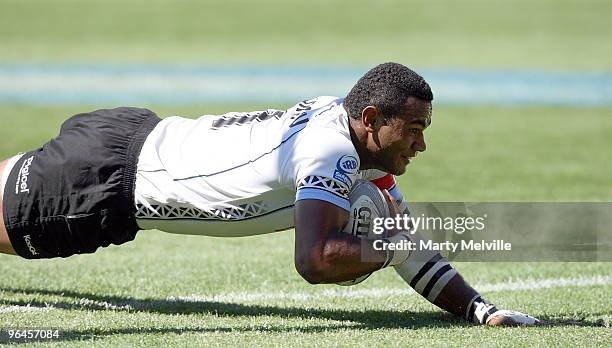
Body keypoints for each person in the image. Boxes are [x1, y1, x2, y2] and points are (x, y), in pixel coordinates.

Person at [0, 62, 538, 326]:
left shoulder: (349, 130)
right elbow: (315, 260)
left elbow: (406, 238)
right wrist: (385, 247)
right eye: (415, 128)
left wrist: (480, 311)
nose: (422, 143)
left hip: (129, 134)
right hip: (105, 184)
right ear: (373, 119)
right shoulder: (333, 154)